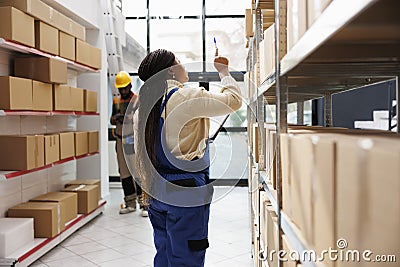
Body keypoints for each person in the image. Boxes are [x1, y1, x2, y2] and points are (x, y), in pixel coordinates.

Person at [134, 48, 242, 266]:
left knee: (164, 252)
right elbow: (234, 100)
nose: (183, 64)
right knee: (187, 256)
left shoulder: (143, 108)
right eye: (179, 61)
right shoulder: (186, 97)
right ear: (171, 72)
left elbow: (142, 155)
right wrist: (224, 72)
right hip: (186, 192)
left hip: (157, 191)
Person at [110, 70, 148, 217]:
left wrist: (128, 118)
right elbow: (111, 120)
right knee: (124, 173)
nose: (123, 91)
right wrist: (116, 118)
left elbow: (141, 118)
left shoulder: (137, 100)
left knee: (137, 172)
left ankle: (144, 204)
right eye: (121, 89)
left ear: (130, 86)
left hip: (133, 140)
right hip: (120, 140)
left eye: (125, 88)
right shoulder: (116, 101)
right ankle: (130, 203)